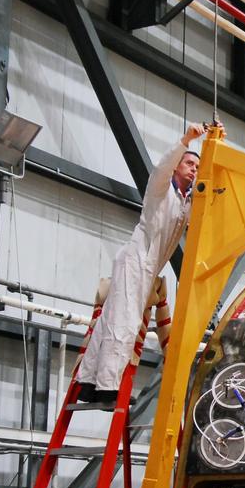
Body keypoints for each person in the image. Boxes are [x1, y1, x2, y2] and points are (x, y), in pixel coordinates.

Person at [76, 122, 219, 402]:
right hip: (136, 260)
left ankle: (87, 384)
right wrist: (186, 140)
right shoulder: (161, 190)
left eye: (196, 166)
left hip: (146, 266)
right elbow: (160, 170)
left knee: (108, 322)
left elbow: (202, 214)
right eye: (188, 163)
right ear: (177, 165)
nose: (193, 168)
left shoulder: (183, 202)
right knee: (124, 322)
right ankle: (107, 388)